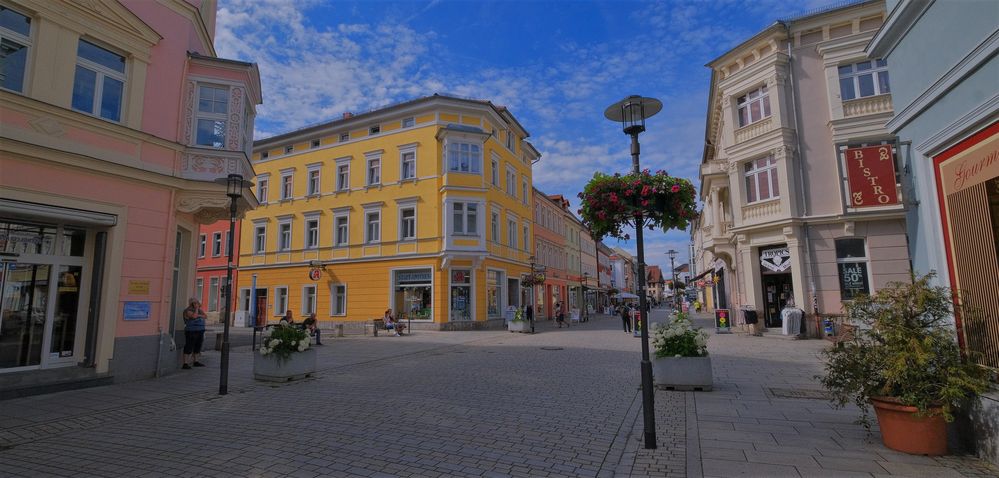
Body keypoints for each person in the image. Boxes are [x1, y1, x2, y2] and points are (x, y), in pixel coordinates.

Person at [182, 298, 207, 369]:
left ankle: (196, 361)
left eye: (197, 302)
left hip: (200, 330)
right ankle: (185, 363)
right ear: (191, 303)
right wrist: (196, 310)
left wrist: (198, 313)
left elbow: (205, 316)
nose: (197, 304)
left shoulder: (200, 310)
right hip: (191, 331)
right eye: (195, 303)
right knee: (189, 346)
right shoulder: (187, 310)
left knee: (198, 346)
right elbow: (194, 316)